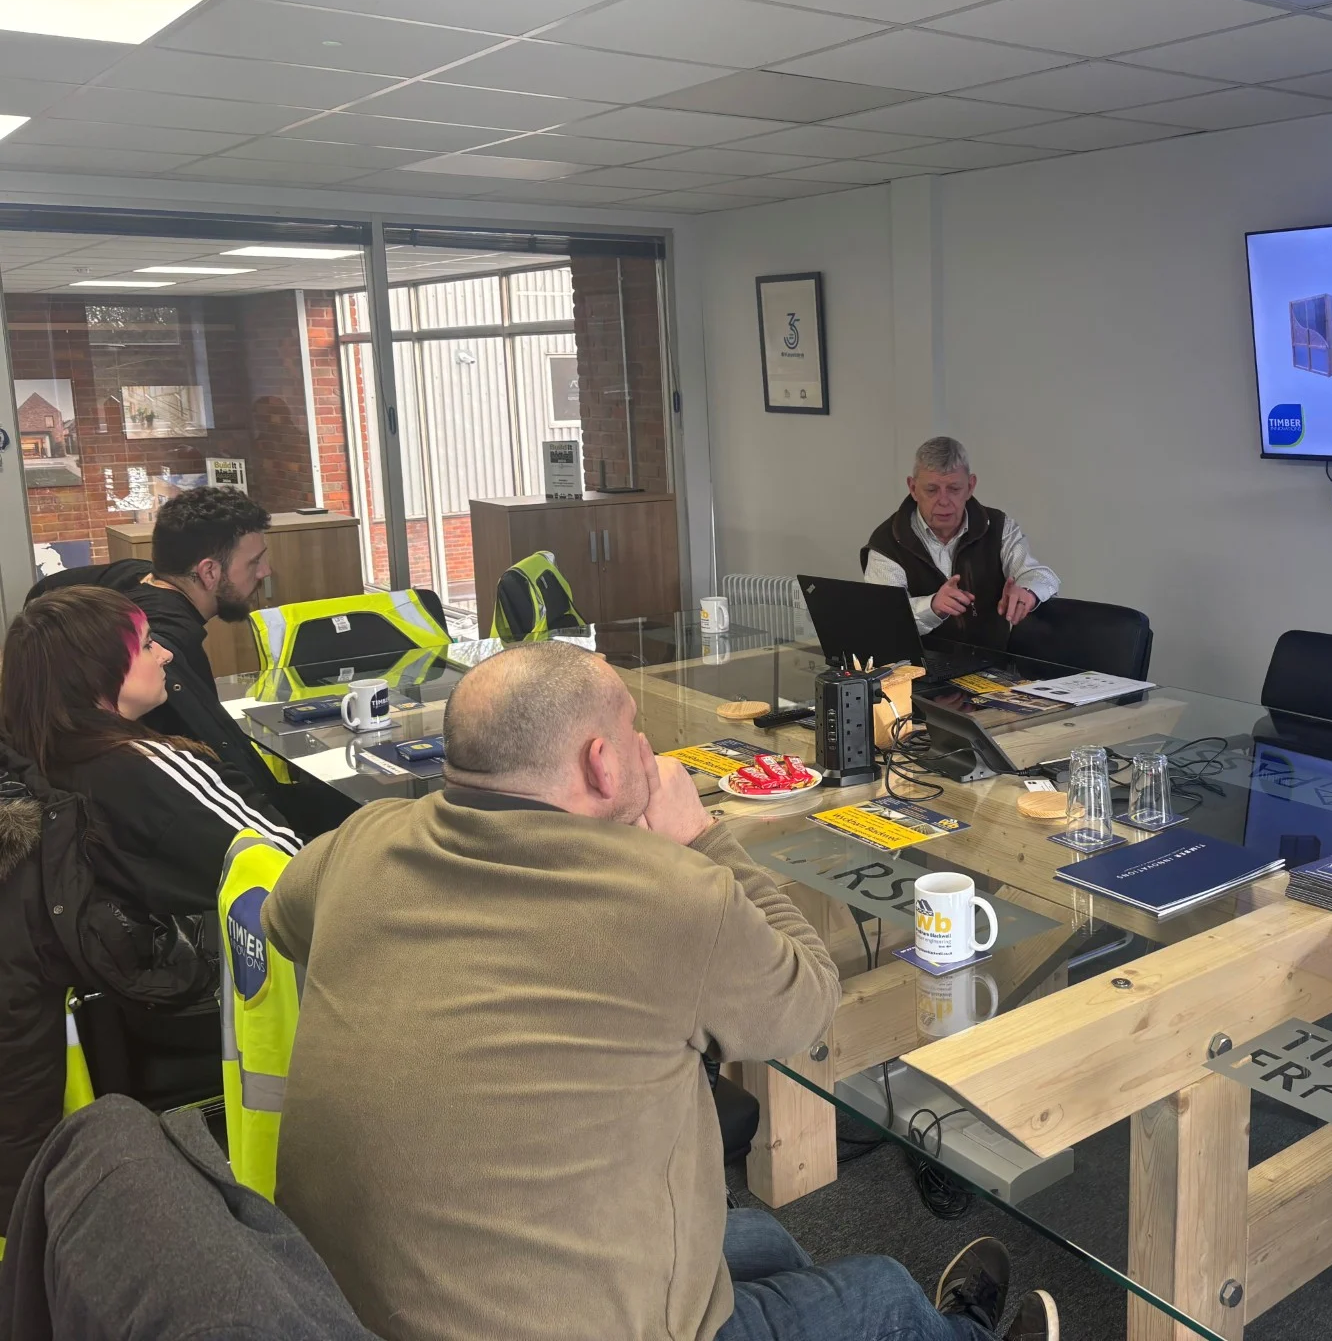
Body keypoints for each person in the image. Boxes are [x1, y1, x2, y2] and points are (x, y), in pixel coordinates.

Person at [259, 642, 1058, 1341]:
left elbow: (285, 924)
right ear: (602, 761)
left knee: (762, 1243)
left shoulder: (358, 844)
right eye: (636, 729)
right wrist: (702, 840)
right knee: (880, 1287)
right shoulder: (668, 893)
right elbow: (809, 1002)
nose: (649, 748)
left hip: (340, 1296)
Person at [0, 587, 301, 1226]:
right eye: (144, 644)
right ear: (96, 674)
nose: (165, 654)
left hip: (116, 1027)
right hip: (217, 1005)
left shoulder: (34, 764)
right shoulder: (145, 764)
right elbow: (283, 866)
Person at [30, 486, 348, 838]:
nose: (266, 571)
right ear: (209, 572)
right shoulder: (170, 639)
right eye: (254, 562)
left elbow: (44, 593)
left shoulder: (131, 575)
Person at [863, 436, 1060, 651]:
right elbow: (886, 618)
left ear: (970, 486)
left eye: (954, 489)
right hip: (917, 672)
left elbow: (1042, 576)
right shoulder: (888, 542)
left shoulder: (998, 527)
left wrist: (1027, 591)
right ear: (912, 488)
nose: (944, 500)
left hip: (991, 668)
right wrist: (932, 607)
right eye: (932, 490)